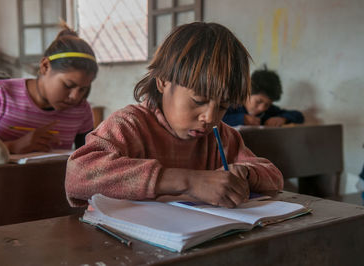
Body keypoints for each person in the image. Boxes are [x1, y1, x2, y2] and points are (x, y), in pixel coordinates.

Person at [65, 22, 283, 208]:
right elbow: (79, 175)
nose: (210, 117)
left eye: (223, 107)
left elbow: (274, 177)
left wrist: (243, 173)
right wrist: (188, 181)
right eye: (198, 100)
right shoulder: (129, 125)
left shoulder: (222, 137)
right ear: (162, 81)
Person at [0, 24, 98, 154]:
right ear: (45, 66)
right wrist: (13, 147)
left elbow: (87, 159)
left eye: (83, 89)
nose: (75, 96)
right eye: (68, 85)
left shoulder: (81, 110)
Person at [222, 66, 304, 127]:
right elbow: (215, 120)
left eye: (267, 104)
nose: (262, 108)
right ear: (247, 92)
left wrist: (282, 119)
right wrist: (240, 119)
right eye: (258, 101)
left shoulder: (268, 111)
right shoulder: (231, 105)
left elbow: (299, 116)